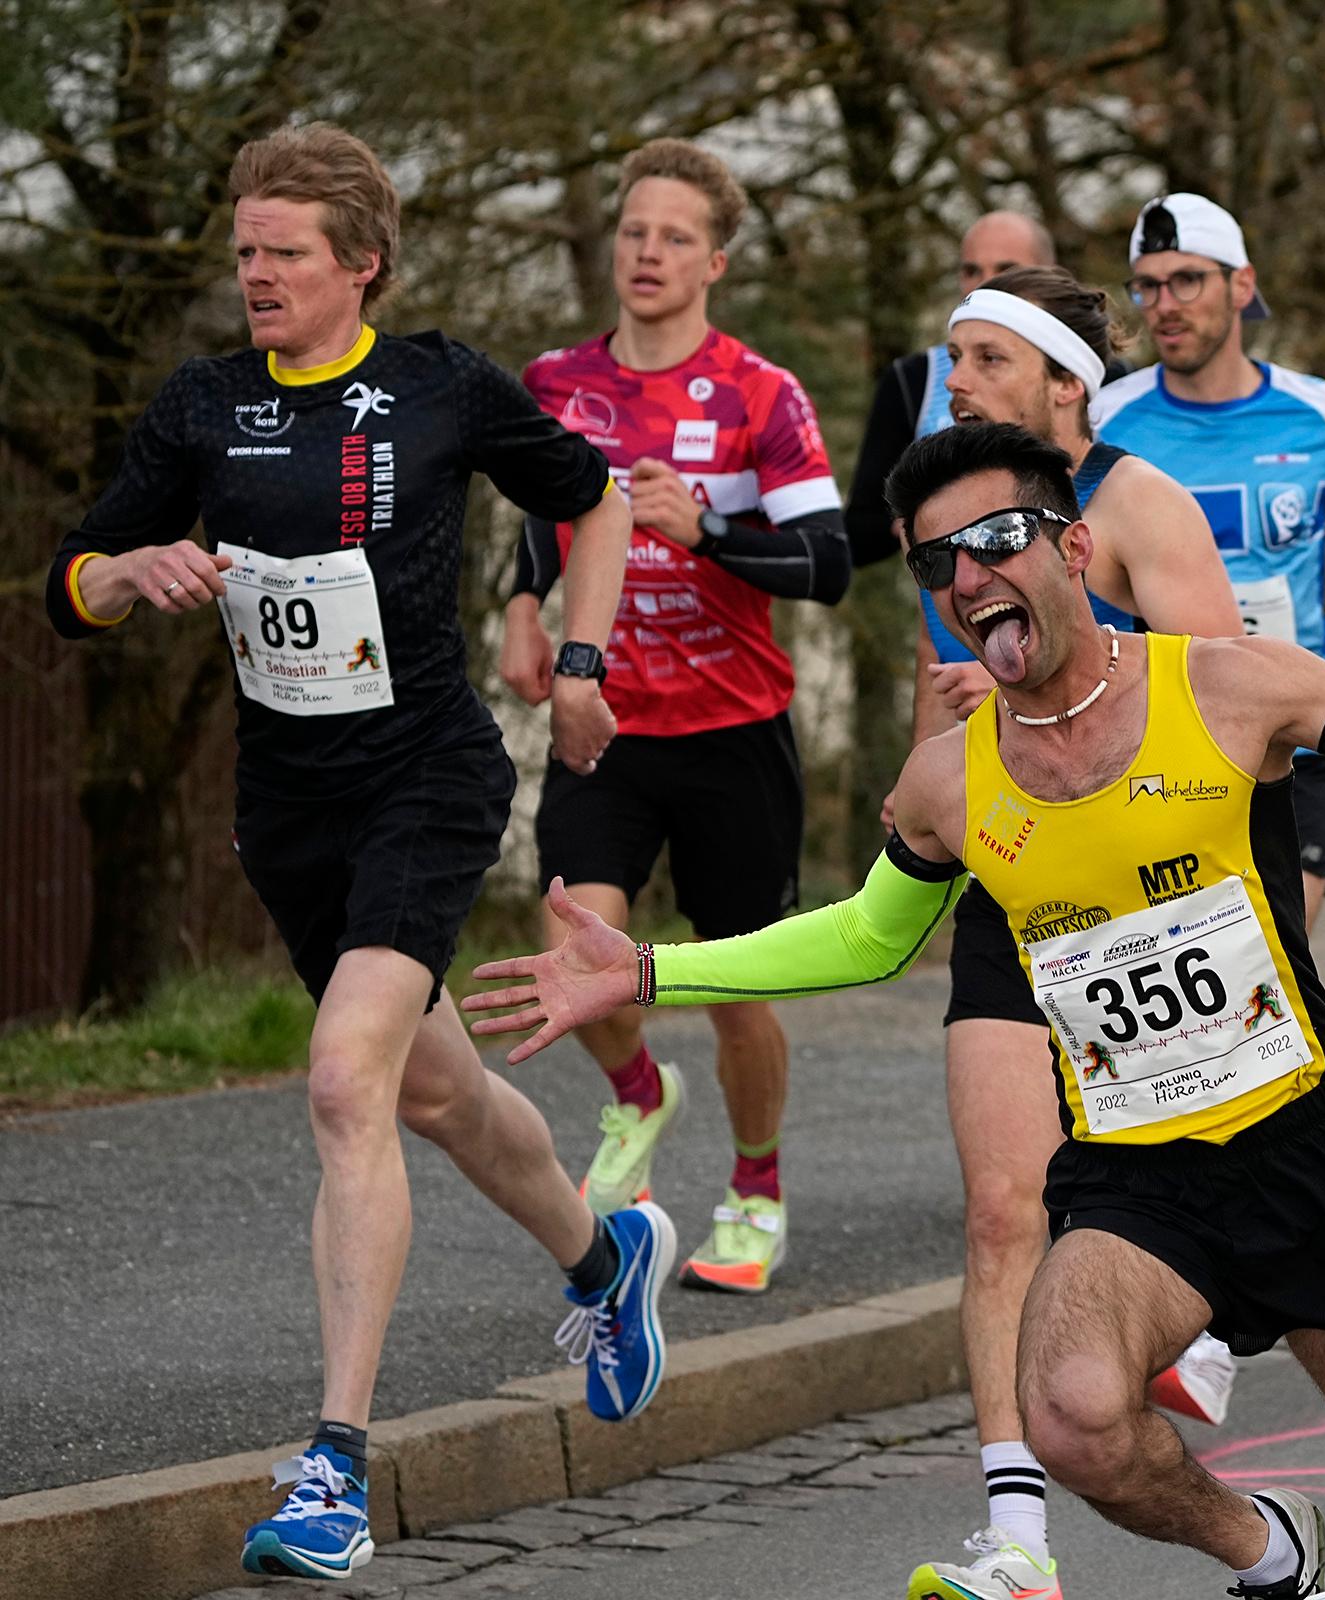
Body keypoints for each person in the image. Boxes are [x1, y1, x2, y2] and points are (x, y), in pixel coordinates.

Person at [466, 421, 1325, 1600]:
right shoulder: (947, 784)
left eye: (996, 540)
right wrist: (649, 972)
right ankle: (1266, 1551)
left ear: (1075, 548)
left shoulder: (1230, 686)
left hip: (1306, 1146)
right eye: (939, 563)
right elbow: (866, 935)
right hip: (1137, 1177)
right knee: (1073, 1416)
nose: (970, 576)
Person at [43, 124, 666, 1582]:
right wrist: (131, 570)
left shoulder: (440, 383)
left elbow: (595, 498)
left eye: (284, 253)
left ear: (362, 264)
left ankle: (333, 1469)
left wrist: (581, 662)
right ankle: (608, 1257)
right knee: (435, 1092)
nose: (254, 275)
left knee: (343, 1081)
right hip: (290, 803)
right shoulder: (205, 404)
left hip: (426, 776)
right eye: (244, 252)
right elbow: (77, 579)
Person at [901, 265, 1247, 1600]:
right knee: (1002, 1209)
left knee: (1194, 1183)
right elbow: (936, 729)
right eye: (952, 359)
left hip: (1152, 898)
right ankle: (1019, 1543)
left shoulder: (1138, 503)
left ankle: (1205, 1316)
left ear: (1066, 386)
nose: (960, 383)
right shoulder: (947, 514)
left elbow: (1221, 702)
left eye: (989, 359)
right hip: (1012, 877)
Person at [502, 139, 851, 1294]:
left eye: (676, 237)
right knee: (573, 942)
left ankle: (755, 1188)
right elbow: (538, 516)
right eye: (633, 231)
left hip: (734, 730)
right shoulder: (557, 382)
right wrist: (521, 606)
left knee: (734, 984)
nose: (648, 253)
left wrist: (707, 533)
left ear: (717, 262)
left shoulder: (762, 393)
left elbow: (829, 563)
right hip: (606, 722)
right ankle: (638, 1094)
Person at [1096, 193, 1325, 931]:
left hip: (1299, 727)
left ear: (1241, 285)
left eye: (1187, 280)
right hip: (1161, 748)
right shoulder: (1103, 419)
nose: (1164, 305)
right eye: (1147, 286)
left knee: (1278, 954)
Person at [844, 211, 1058, 571]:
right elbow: (859, 532)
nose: (986, 285)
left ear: (1050, 277)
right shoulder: (917, 378)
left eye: (1006, 270)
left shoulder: (1097, 376)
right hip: (954, 603)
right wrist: (934, 522)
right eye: (971, 271)